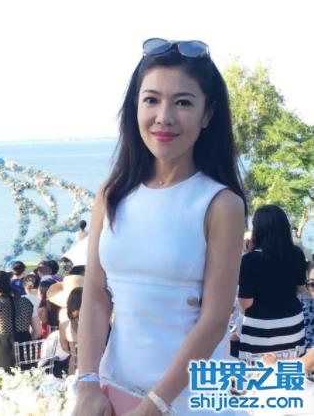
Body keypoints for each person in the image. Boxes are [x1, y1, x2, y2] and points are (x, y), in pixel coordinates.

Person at [74, 38, 246, 416]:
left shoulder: (220, 204)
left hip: (189, 402)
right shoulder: (112, 194)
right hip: (114, 393)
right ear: (135, 106)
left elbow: (215, 319)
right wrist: (86, 384)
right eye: (151, 99)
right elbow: (96, 295)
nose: (164, 117)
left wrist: (155, 404)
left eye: (183, 102)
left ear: (207, 114)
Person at [238, 205, 307, 361]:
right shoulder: (296, 254)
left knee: (258, 372)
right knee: (291, 368)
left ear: (258, 229)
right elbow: (301, 288)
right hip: (292, 324)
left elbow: (246, 302)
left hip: (260, 329)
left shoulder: (249, 260)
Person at [59, 287, 83, 374]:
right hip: (95, 365)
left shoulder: (64, 326)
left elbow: (64, 348)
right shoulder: (96, 324)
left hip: (75, 367)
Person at [22, 273, 42, 339]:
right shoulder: (42, 300)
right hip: (44, 334)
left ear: (25, 287)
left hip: (28, 335)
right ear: (39, 285)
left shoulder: (22, 300)